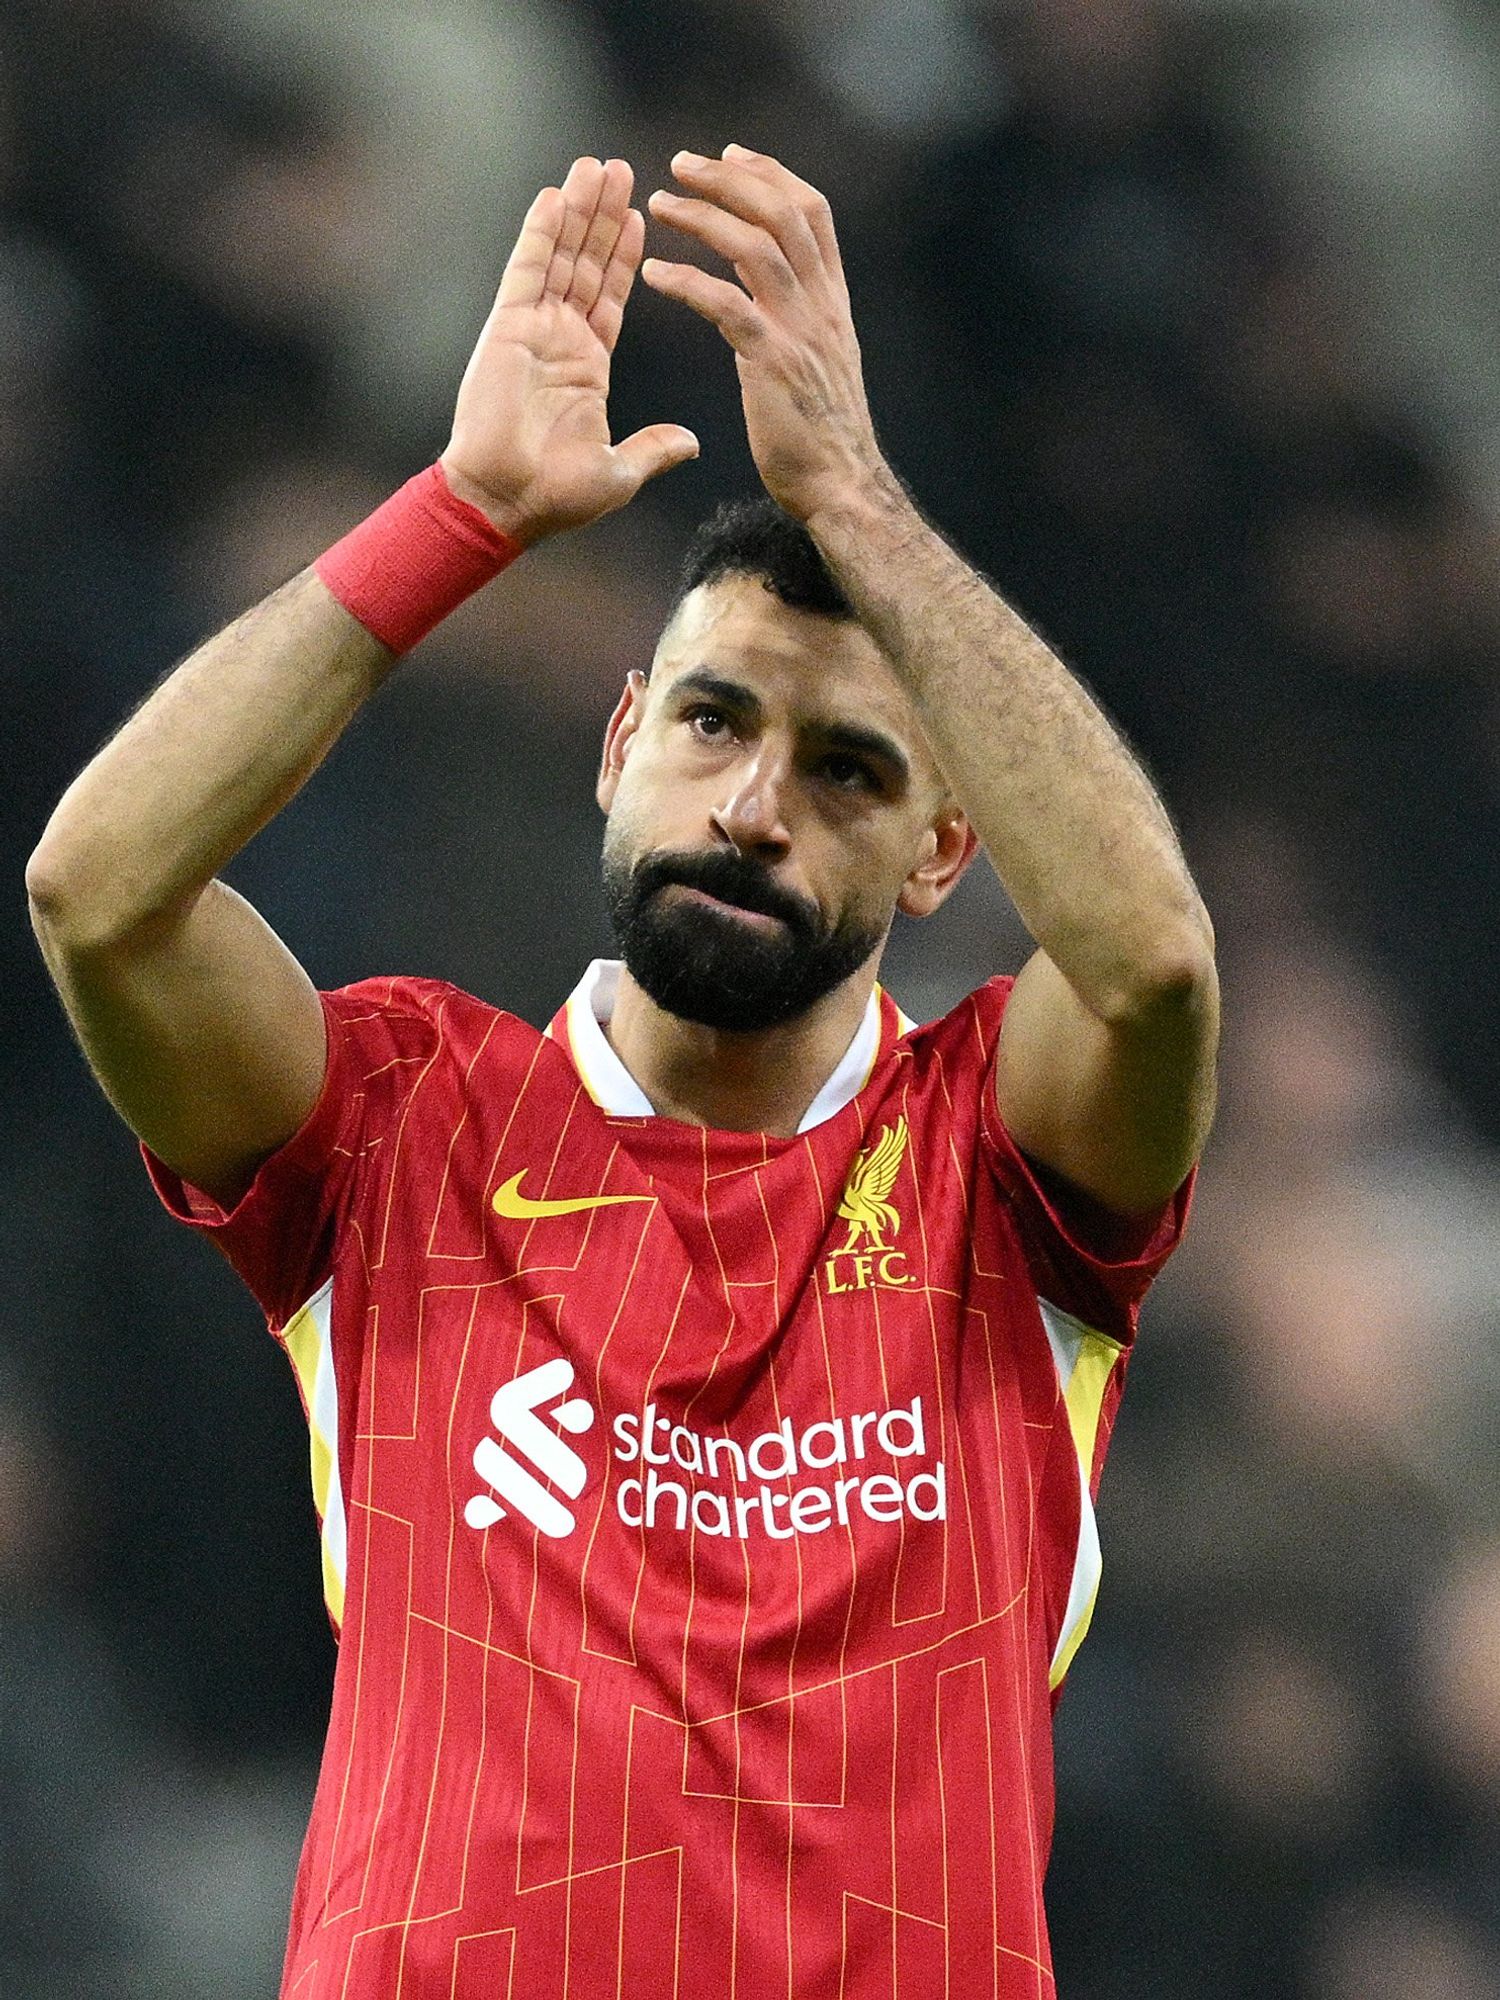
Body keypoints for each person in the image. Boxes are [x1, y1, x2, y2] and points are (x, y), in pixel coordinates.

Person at [27, 148, 1219, 1998]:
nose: (752, 810)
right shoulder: (404, 1116)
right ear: (617, 743)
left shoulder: (1000, 1149)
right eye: (713, 721)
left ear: (941, 855)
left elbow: (1150, 967)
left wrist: (860, 510)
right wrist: (462, 515)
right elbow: (97, 896)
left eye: (848, 771)